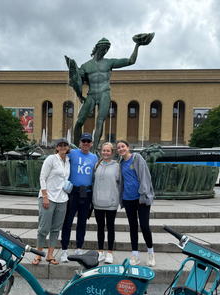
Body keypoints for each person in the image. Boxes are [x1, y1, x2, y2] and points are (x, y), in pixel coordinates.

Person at [65, 33, 153, 151]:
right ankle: (75, 150)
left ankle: (94, 150)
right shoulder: (85, 66)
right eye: (103, 48)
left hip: (104, 93)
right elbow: (78, 82)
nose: (105, 51)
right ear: (97, 48)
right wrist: (78, 77)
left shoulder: (109, 62)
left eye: (107, 49)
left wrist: (137, 45)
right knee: (79, 122)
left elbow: (131, 61)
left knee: (100, 121)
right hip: (91, 94)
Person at [116, 140, 155, 267]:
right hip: (128, 199)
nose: (121, 149)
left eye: (123, 146)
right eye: (118, 148)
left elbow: (145, 176)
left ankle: (150, 253)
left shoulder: (137, 158)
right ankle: (135, 255)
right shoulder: (121, 163)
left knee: (144, 226)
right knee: (133, 227)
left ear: (128, 147)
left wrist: (143, 193)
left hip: (141, 198)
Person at [60, 133, 98, 262]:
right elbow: (60, 160)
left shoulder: (94, 157)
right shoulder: (73, 154)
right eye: (84, 141)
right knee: (67, 222)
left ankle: (79, 248)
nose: (86, 143)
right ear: (80, 142)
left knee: (82, 222)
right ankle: (64, 249)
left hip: (86, 193)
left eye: (88, 141)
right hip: (73, 193)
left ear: (92, 143)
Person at [32, 138, 71, 266]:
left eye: (65, 145)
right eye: (61, 145)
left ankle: (50, 255)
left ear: (68, 147)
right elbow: (42, 177)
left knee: (55, 229)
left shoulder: (68, 161)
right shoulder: (51, 159)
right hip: (48, 197)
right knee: (43, 227)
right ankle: (38, 254)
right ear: (57, 147)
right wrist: (45, 196)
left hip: (62, 198)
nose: (63, 147)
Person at [92, 142, 120, 264]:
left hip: (111, 202)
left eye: (108, 151)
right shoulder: (96, 165)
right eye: (104, 150)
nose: (105, 153)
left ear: (112, 153)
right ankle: (100, 252)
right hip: (98, 202)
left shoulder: (117, 166)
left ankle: (109, 253)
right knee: (100, 227)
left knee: (110, 227)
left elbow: (120, 183)